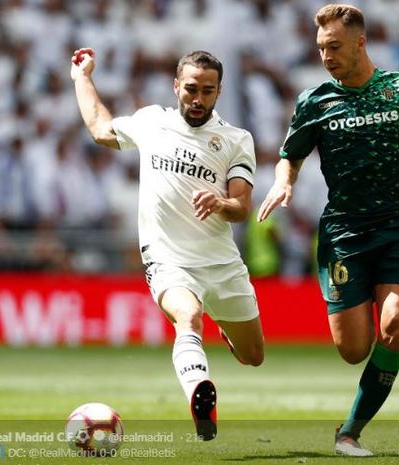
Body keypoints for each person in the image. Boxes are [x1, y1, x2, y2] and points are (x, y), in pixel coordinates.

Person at [258, 4, 399, 457]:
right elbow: (291, 153)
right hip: (344, 236)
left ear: (360, 42)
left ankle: (350, 431)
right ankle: (353, 415)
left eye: (334, 46)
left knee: (395, 326)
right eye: (320, 48)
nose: (326, 56)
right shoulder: (314, 99)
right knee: (353, 349)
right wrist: (283, 181)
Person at [71, 48, 265, 441]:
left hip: (221, 262)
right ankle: (199, 393)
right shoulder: (151, 122)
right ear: (176, 86)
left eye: (207, 91)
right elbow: (99, 128)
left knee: (253, 356)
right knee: (188, 318)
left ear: (219, 91)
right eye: (191, 88)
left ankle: (225, 333)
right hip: (168, 260)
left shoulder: (235, 139)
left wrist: (221, 203)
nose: (198, 98)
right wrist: (81, 77)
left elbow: (242, 207)